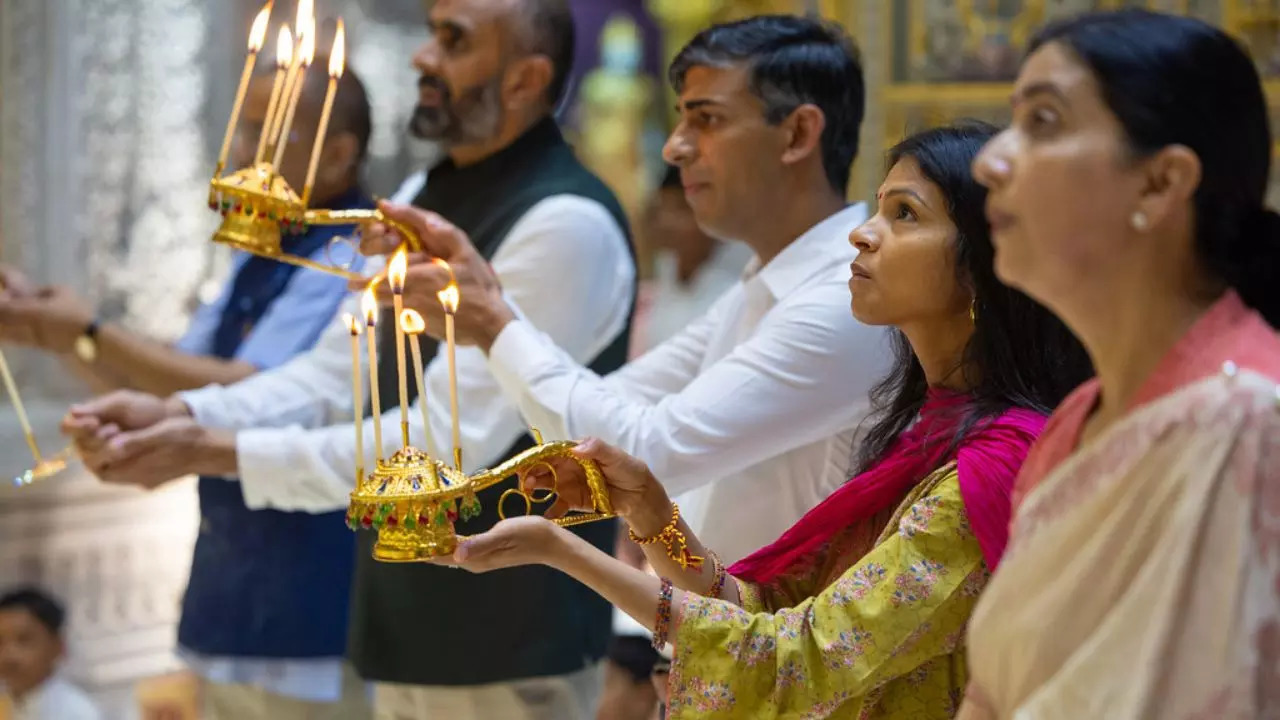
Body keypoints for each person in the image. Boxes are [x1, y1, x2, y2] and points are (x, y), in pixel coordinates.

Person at [64, 1, 637, 718]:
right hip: (396, 624)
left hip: (506, 644)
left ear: (526, 78)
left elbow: (444, 442)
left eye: (453, 42)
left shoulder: (564, 222)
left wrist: (210, 450)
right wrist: (182, 412)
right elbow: (333, 374)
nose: (422, 58)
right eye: (430, 33)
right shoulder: (424, 194)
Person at [431, 123, 1094, 719]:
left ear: (983, 264)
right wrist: (650, 514)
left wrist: (563, 552)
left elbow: (798, 658)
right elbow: (750, 608)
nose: (863, 232)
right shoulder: (924, 430)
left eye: (904, 214)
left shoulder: (991, 467)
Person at [4, 66, 375, 720]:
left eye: (267, 130)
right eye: (244, 127)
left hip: (314, 588)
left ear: (340, 151)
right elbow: (178, 381)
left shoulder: (355, 255)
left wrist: (91, 330)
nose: (243, 150)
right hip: (231, 578)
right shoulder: (262, 248)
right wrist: (59, 334)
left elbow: (257, 391)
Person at [960, 10, 1280, 718]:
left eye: (1043, 122)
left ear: (1160, 183)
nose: (991, 161)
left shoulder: (1244, 423)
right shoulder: (1075, 422)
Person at [630, 164, 753, 355]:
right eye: (662, 207)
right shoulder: (661, 284)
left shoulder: (734, 291)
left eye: (682, 209)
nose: (667, 221)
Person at [0, 588, 100, 720]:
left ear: (57, 647)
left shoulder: (75, 713)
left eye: (24, 640)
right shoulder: (7, 705)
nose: (9, 655)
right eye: (0, 642)